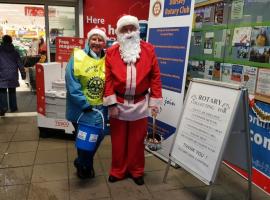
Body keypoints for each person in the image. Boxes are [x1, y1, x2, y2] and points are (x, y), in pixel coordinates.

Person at [103, 15, 162, 185]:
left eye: (132, 28)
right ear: (118, 32)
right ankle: (118, 170)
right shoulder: (111, 53)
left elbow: (155, 77)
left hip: (140, 103)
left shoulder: (149, 49)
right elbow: (107, 79)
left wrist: (155, 102)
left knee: (137, 140)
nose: (129, 32)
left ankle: (136, 171)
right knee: (118, 140)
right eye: (124, 29)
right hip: (119, 104)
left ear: (137, 30)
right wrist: (112, 103)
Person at [65, 28, 108, 179]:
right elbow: (72, 84)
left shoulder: (108, 58)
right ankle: (85, 166)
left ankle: (81, 162)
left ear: (104, 43)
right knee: (85, 138)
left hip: (101, 108)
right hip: (81, 109)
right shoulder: (78, 56)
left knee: (99, 136)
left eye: (100, 39)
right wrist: (84, 103)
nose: (97, 42)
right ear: (88, 40)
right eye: (94, 39)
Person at [0, 35, 26, 116]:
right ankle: (13, 107)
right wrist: (23, 73)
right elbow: (19, 63)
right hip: (13, 74)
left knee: (2, 91)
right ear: (11, 41)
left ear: (3, 41)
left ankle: (3, 108)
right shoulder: (15, 51)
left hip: (2, 74)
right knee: (12, 91)